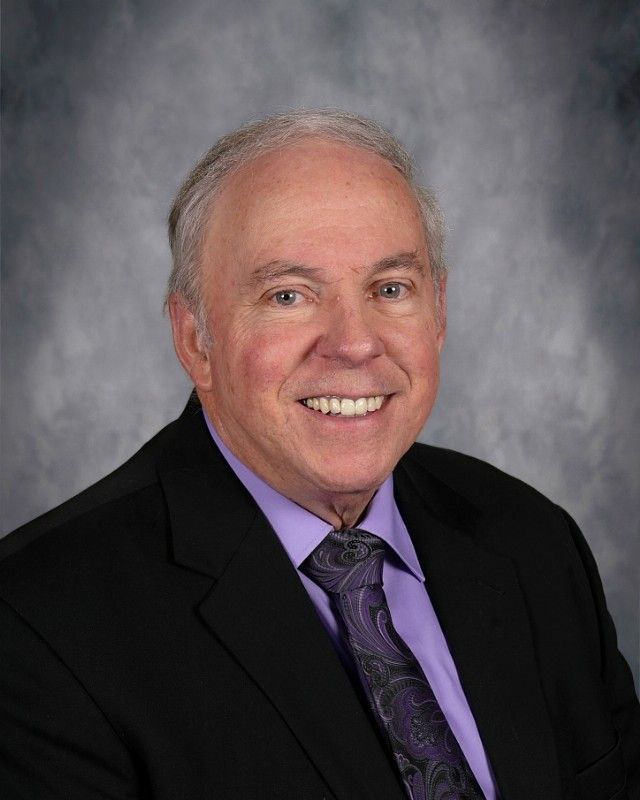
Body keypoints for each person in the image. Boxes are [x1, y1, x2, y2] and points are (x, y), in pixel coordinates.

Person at [1, 110, 638, 800]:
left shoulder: (534, 541)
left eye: (390, 288)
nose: (355, 343)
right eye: (289, 296)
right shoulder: (38, 626)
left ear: (439, 311)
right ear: (195, 340)